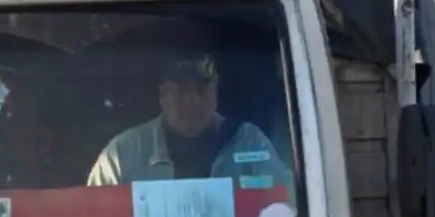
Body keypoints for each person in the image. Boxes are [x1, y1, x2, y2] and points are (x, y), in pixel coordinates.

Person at [87, 53, 290, 188]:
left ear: (216, 93)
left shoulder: (250, 143)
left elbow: (284, 205)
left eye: (202, 90)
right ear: (163, 95)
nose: (193, 100)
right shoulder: (122, 154)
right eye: (181, 90)